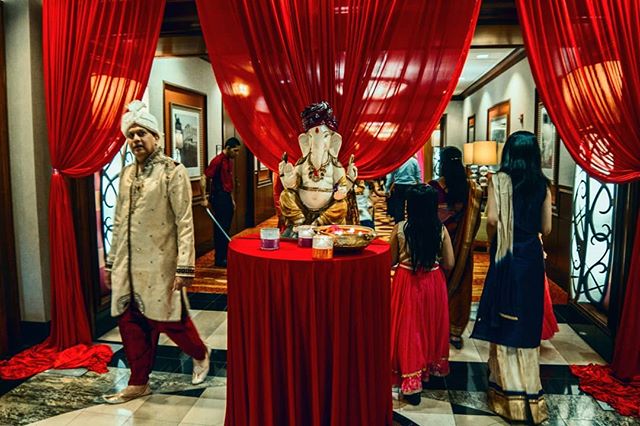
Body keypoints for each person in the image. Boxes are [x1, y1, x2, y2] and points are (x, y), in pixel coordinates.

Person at [102, 100, 210, 404]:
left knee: (170, 320)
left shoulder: (172, 172)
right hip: (128, 263)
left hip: (161, 262)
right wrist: (112, 263)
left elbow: (184, 222)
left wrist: (184, 267)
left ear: (156, 137)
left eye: (142, 134)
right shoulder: (125, 175)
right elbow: (120, 220)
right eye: (131, 135)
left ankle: (201, 354)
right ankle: (138, 382)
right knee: (131, 322)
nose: (136, 139)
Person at [471, 131, 552, 424]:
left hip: (506, 255)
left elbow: (491, 220)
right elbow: (547, 227)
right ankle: (531, 396)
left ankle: (506, 396)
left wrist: (495, 242)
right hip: (530, 257)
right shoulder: (542, 185)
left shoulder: (498, 180)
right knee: (528, 319)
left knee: (504, 316)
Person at [390, 185, 455, 406]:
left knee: (410, 330)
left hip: (407, 281)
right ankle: (429, 367)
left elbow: (390, 260)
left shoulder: (401, 228)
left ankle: (411, 381)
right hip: (433, 282)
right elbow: (450, 262)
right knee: (430, 326)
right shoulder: (440, 229)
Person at [428, 147, 483, 350]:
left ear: (441, 163)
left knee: (435, 284)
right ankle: (454, 331)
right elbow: (474, 221)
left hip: (438, 246)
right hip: (462, 246)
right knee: (459, 285)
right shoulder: (471, 189)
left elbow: (428, 219)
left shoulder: (433, 187)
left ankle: (434, 326)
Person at [205, 137, 241, 268]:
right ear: (228, 148)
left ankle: (225, 256)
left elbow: (228, 182)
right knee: (220, 229)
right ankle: (219, 258)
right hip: (218, 197)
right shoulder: (217, 161)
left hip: (226, 197)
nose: (237, 154)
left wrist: (231, 199)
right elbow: (205, 177)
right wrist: (204, 197)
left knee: (226, 227)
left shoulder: (229, 162)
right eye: (235, 151)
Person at [385, 155, 421, 223]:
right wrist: (420, 187)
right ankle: (411, 224)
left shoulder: (398, 161)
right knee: (411, 207)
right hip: (411, 186)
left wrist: (387, 188)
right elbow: (418, 175)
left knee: (399, 207)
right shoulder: (414, 161)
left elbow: (391, 176)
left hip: (399, 186)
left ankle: (399, 226)